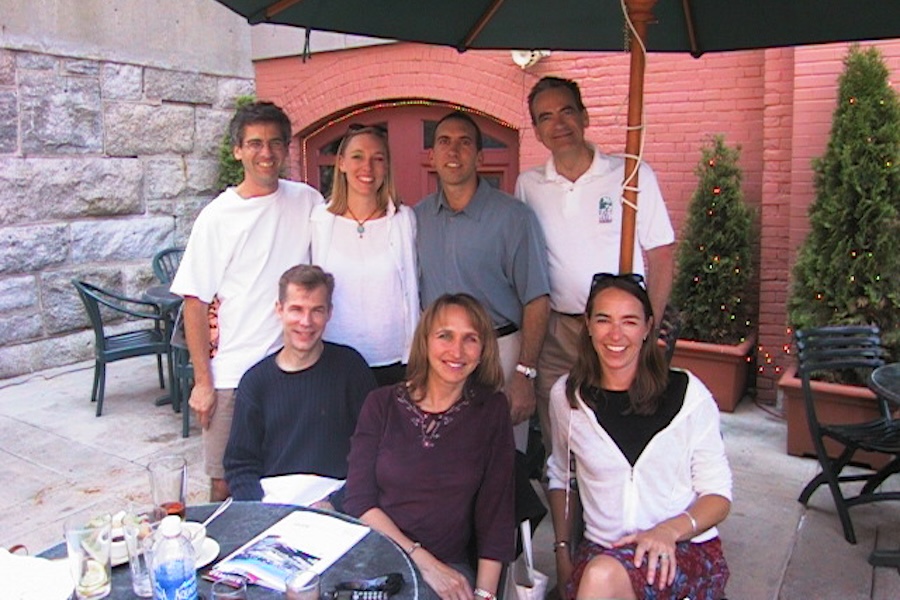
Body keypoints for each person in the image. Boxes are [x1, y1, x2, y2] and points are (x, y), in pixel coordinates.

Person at [170, 101, 323, 501]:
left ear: (288, 147)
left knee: (281, 478)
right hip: (234, 374)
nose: (266, 153)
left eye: (275, 143)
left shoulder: (307, 202)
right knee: (223, 482)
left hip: (294, 370)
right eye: (255, 143)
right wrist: (203, 381)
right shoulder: (217, 217)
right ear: (238, 150)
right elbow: (195, 302)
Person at [515, 76, 676, 453]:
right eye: (546, 117)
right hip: (557, 331)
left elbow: (662, 257)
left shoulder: (631, 175)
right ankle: (568, 509)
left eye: (567, 111)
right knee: (561, 438)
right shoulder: (528, 186)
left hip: (615, 333)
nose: (559, 124)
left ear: (585, 117)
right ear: (537, 132)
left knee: (616, 436)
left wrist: (645, 330)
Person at [547, 273, 731, 600]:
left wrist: (668, 531)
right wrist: (562, 552)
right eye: (604, 320)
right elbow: (563, 475)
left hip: (682, 548)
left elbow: (717, 496)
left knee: (601, 578)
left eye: (629, 321)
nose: (615, 334)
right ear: (588, 325)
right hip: (603, 550)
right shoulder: (567, 397)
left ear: (648, 327)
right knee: (601, 574)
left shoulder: (689, 395)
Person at [343, 294, 516, 600]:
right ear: (424, 341)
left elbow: (496, 516)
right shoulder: (381, 404)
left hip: (450, 569)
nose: (457, 351)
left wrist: (485, 596)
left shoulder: (491, 411)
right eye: (444, 336)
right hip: (375, 559)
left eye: (470, 339)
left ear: (483, 349)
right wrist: (422, 560)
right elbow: (359, 502)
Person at [415, 110, 551, 451]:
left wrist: (524, 373)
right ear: (432, 156)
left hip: (498, 350)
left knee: (500, 459)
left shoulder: (513, 218)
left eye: (464, 143)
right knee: (442, 456)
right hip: (439, 354)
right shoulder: (416, 218)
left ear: (480, 156)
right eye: (444, 142)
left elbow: (537, 298)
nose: (453, 151)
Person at [224, 265, 376, 502]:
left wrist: (335, 504)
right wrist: (260, 512)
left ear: (329, 313)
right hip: (272, 503)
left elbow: (374, 451)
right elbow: (240, 464)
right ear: (279, 310)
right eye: (296, 309)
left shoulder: (351, 369)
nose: (306, 322)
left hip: (336, 503)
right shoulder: (255, 383)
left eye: (317, 310)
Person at [311, 124, 418, 386]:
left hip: (394, 362)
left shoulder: (403, 219)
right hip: (334, 358)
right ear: (341, 163)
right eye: (358, 156)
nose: (367, 167)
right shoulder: (320, 221)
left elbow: (413, 287)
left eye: (378, 159)